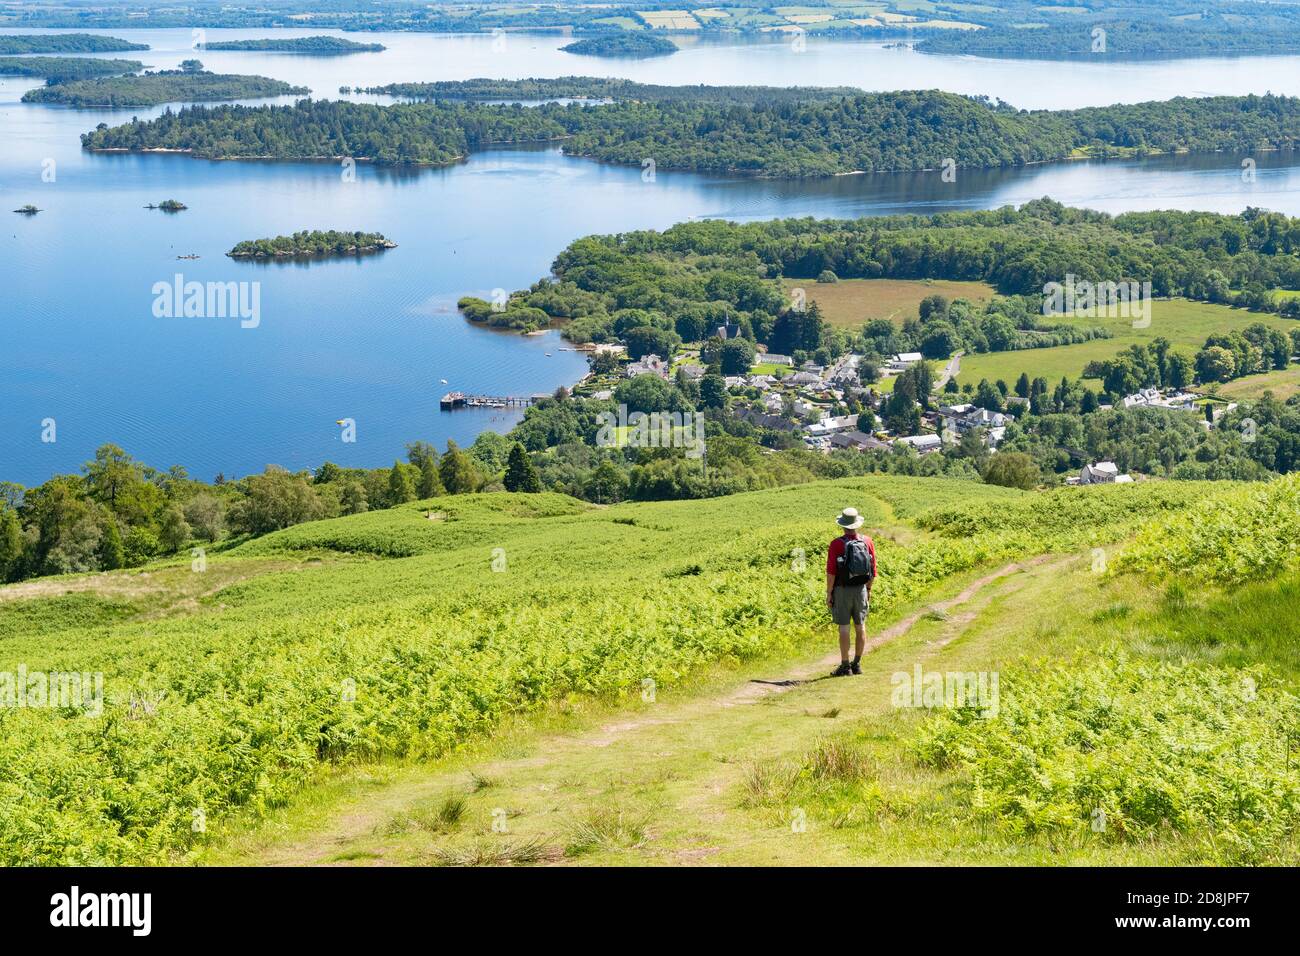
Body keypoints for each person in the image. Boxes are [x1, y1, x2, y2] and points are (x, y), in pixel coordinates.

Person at [826, 507, 877, 677]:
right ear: (857, 524)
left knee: (844, 628)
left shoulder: (836, 544)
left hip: (842, 590)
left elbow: (831, 572)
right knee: (860, 626)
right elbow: (873, 570)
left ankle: (845, 665)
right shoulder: (868, 541)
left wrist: (829, 593)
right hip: (861, 589)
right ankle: (857, 664)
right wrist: (868, 589)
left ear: (842, 525)